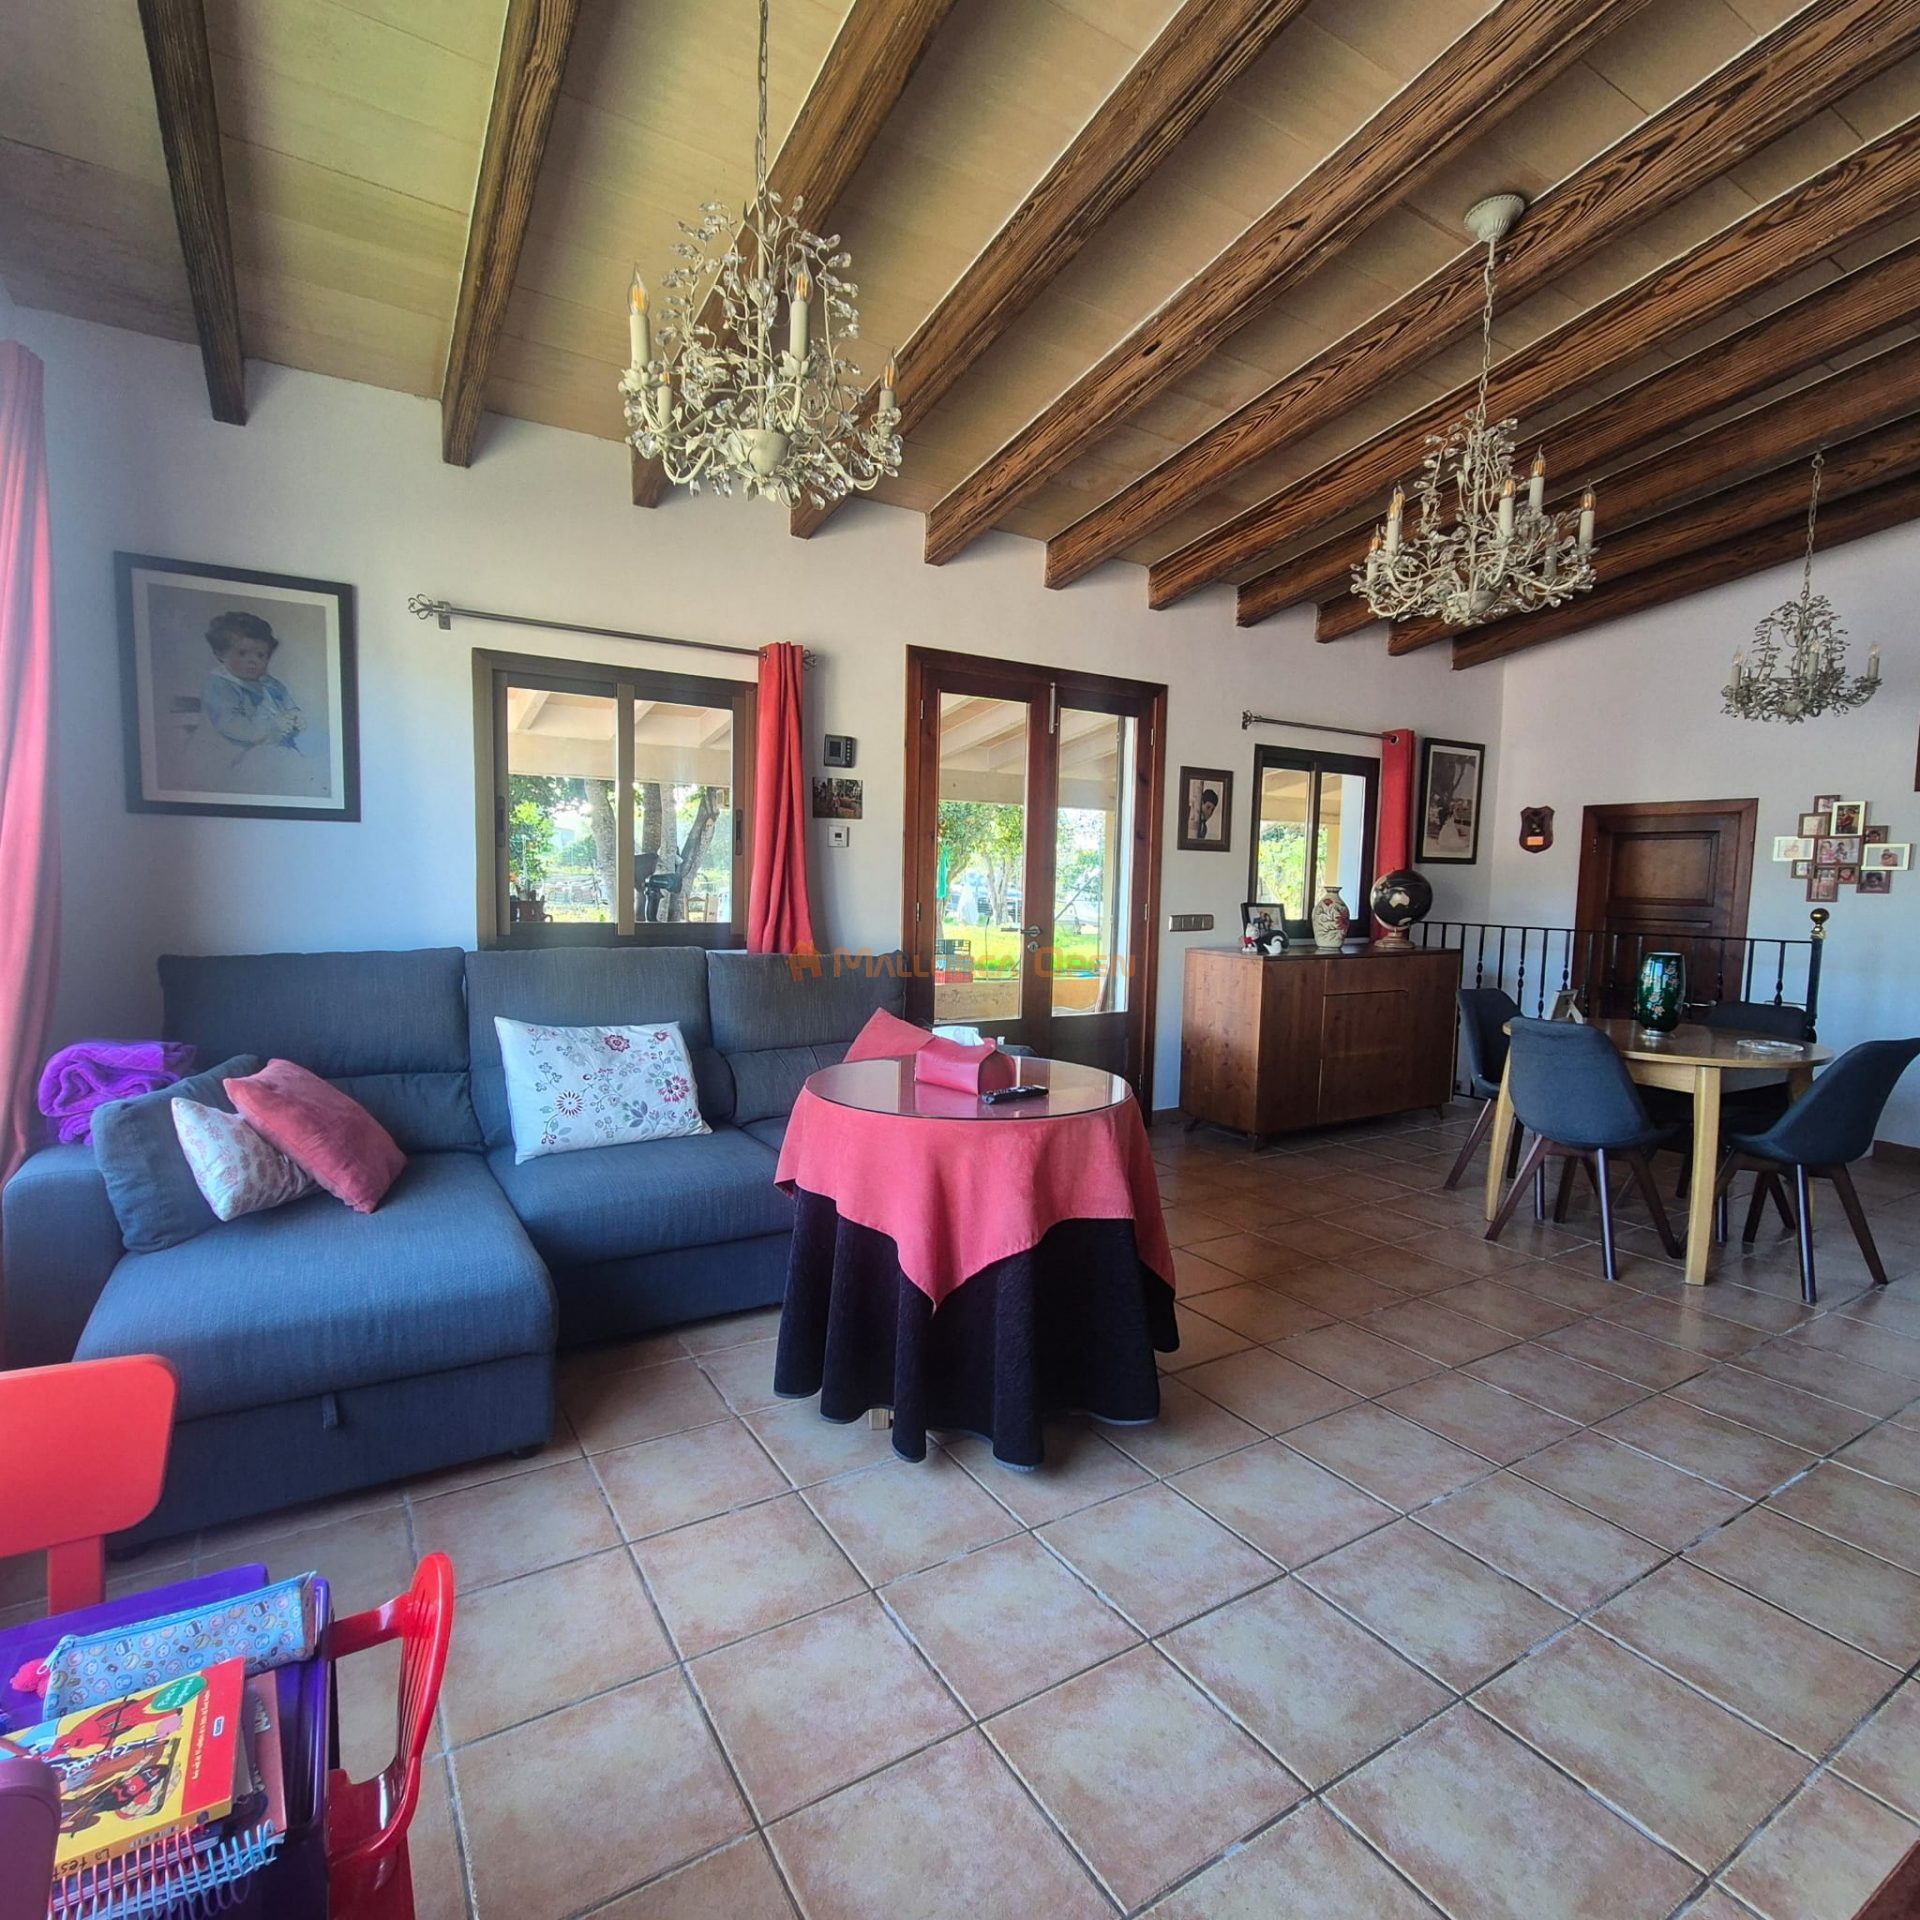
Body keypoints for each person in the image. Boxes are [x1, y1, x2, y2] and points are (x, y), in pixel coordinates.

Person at [191, 609, 324, 795]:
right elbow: (231, 725)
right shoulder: (219, 685)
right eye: (242, 653)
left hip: (269, 748)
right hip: (231, 751)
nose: (253, 661)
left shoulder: (270, 684)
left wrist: (295, 717)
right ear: (221, 653)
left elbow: (288, 705)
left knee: (307, 760)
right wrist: (271, 726)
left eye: (261, 655)